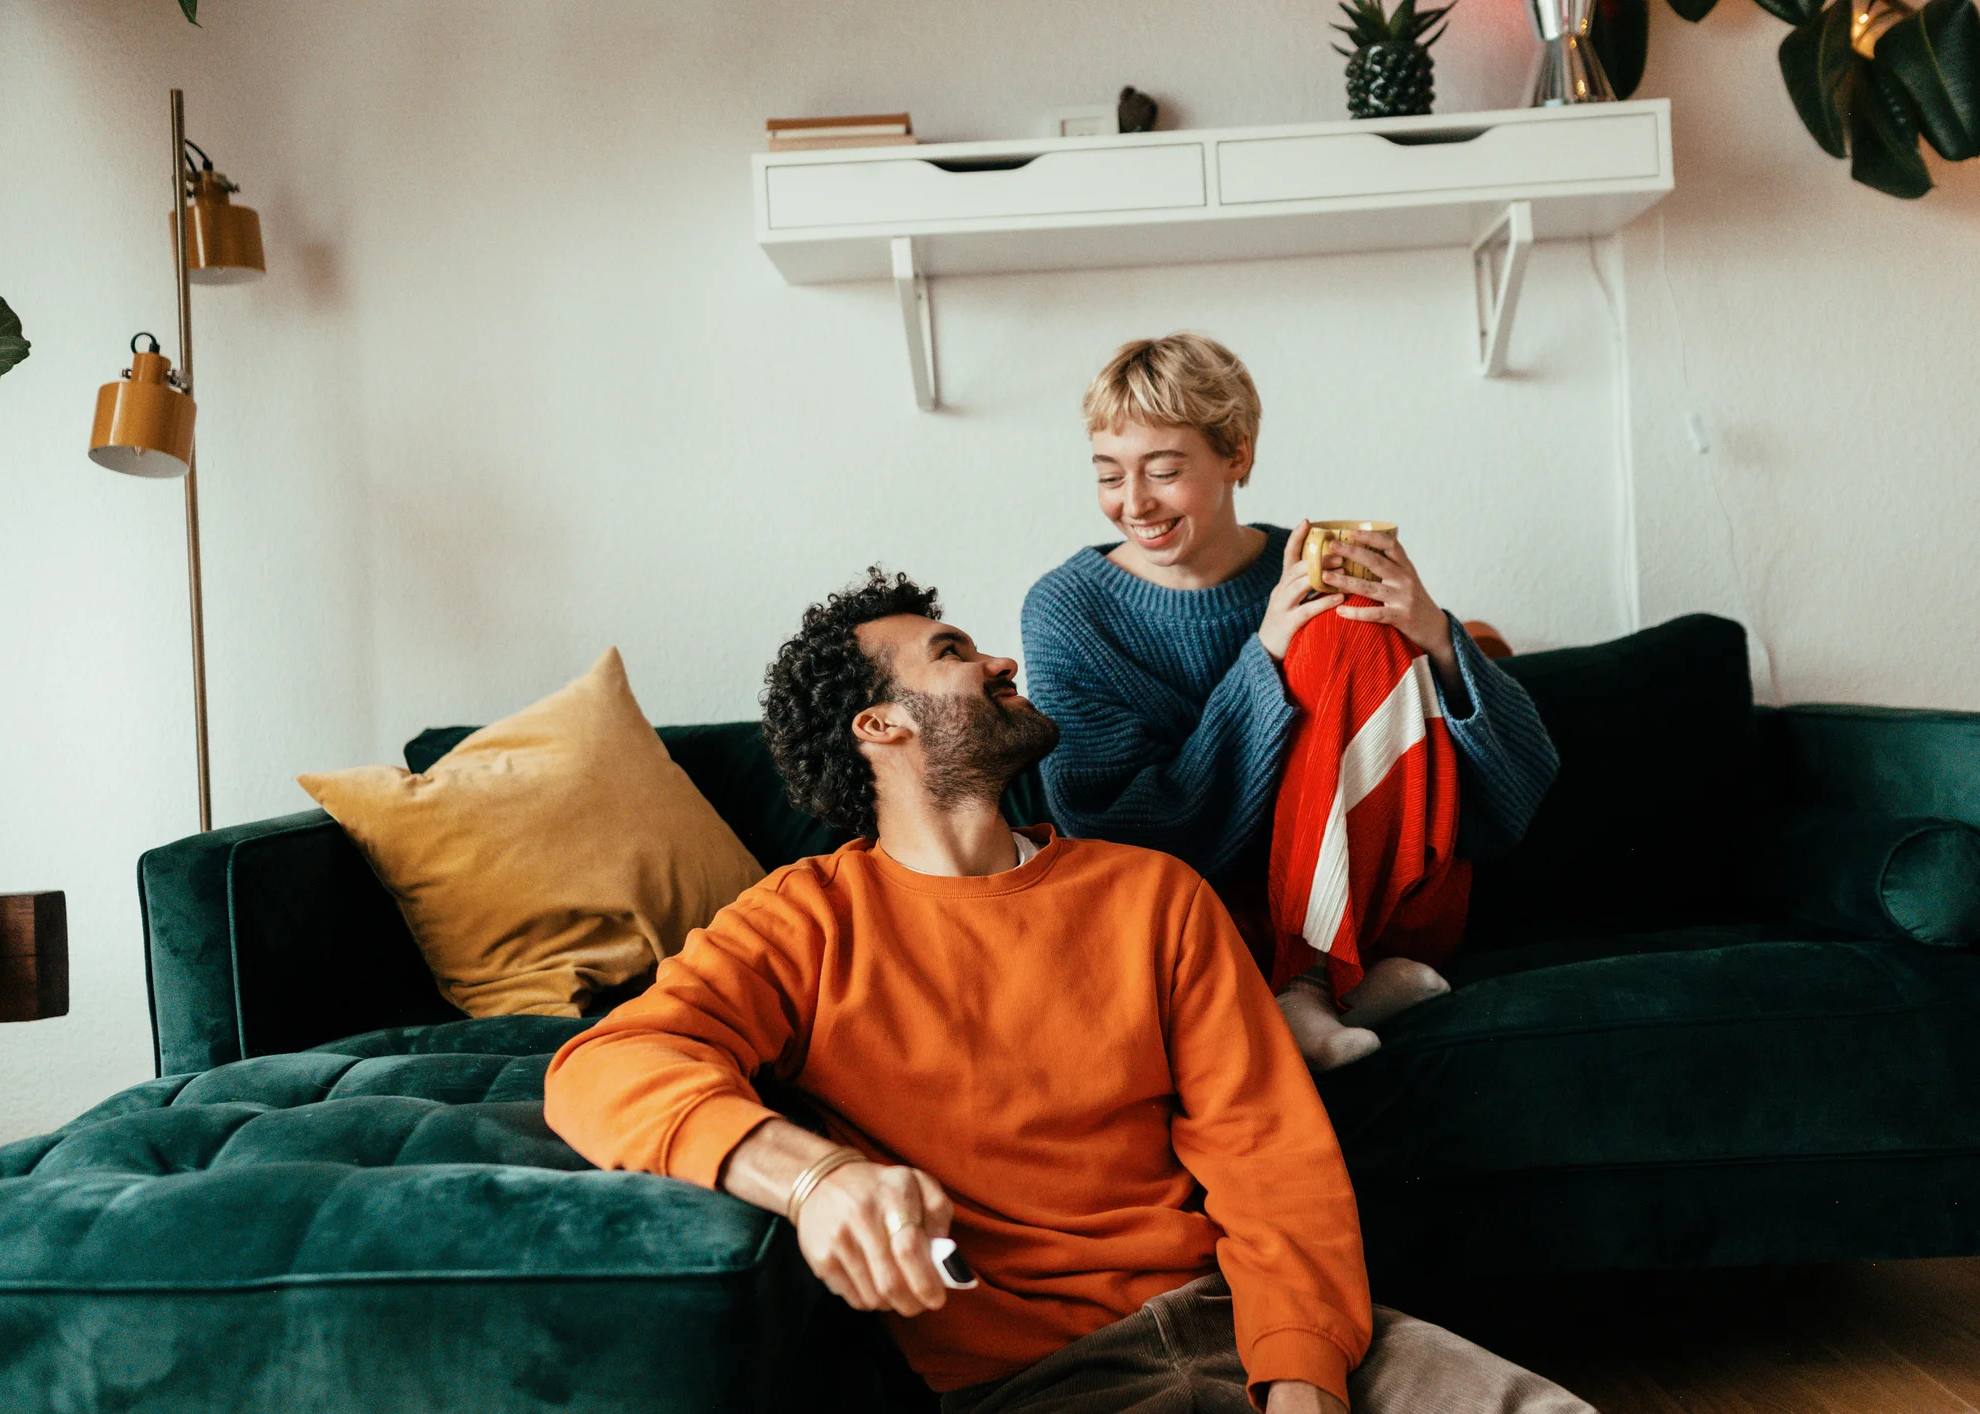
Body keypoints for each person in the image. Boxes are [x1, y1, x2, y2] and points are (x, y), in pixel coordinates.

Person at [542, 570, 1590, 1414]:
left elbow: (1271, 1157)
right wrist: (815, 1180)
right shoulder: (805, 919)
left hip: (1270, 1332)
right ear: (881, 727)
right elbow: (603, 1064)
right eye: (953, 653)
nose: (1002, 657)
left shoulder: (1151, 894)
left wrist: (1305, 1379)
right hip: (1038, 1383)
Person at [1021, 334, 1560, 1068]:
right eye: (1108, 474)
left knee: (1346, 616)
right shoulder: (1066, 610)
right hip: (1209, 918)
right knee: (1325, 620)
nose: (1133, 502)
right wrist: (1264, 656)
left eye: (1164, 470)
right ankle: (1319, 982)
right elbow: (1116, 831)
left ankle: (1315, 980)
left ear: (1235, 455)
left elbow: (1524, 780)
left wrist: (1433, 632)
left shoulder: (1309, 567)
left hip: (1385, 899)